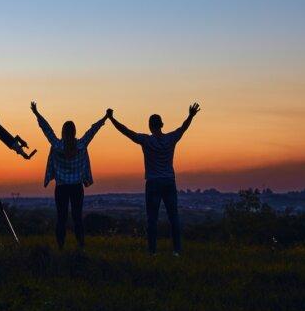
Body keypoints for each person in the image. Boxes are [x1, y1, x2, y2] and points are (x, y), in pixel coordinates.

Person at [108, 103, 200, 255]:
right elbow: (183, 128)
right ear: (161, 125)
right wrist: (190, 115)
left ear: (150, 126)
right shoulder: (170, 139)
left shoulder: (146, 140)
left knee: (152, 219)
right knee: (173, 218)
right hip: (169, 181)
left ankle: (152, 252)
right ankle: (176, 251)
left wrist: (112, 119)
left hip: (153, 183)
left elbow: (126, 132)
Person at [31, 101, 107, 250]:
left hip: (61, 188)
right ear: (74, 132)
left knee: (61, 218)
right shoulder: (81, 145)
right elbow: (93, 130)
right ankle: (81, 246)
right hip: (77, 187)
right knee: (77, 218)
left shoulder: (57, 145)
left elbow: (46, 129)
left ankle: (60, 247)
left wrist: (36, 113)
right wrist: (105, 118)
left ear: (63, 132)